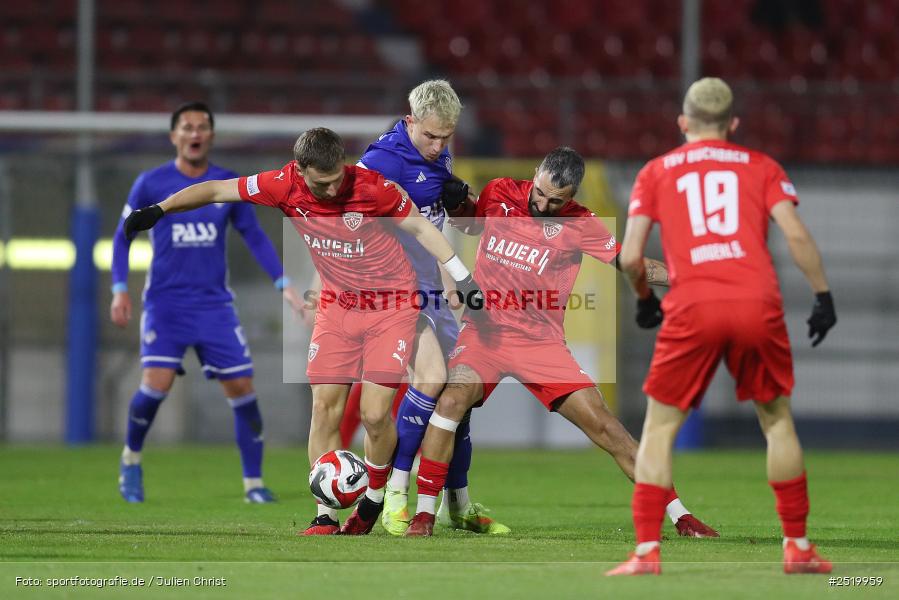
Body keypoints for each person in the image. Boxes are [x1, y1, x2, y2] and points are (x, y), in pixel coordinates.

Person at [122, 127, 482, 536]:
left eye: (335, 180)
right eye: (320, 183)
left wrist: (460, 275)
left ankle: (374, 497)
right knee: (324, 409)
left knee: (375, 414)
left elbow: (420, 227)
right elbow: (217, 190)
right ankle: (326, 515)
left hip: (391, 306)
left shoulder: (373, 188)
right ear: (300, 170)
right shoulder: (282, 184)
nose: (330, 191)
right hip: (336, 307)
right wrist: (160, 210)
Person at [404, 147, 718, 538]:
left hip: (541, 344)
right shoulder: (501, 191)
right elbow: (471, 225)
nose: (543, 204)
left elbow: (632, 265)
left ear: (572, 196)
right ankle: (424, 514)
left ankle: (680, 515)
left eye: (556, 200)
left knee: (605, 427)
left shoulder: (582, 224)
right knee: (450, 401)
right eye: (540, 193)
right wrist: (458, 204)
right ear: (535, 174)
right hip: (484, 334)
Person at [607, 78, 836, 576]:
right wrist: (822, 295)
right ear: (733, 124)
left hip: (692, 303)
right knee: (777, 423)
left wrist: (645, 300)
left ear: (683, 123)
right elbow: (795, 233)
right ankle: (797, 546)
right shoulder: (762, 167)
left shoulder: (656, 172)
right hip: (757, 300)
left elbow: (628, 257)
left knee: (660, 429)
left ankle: (647, 553)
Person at [111, 101, 304, 504]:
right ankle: (131, 460)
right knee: (156, 384)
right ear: (174, 136)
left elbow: (252, 234)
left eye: (202, 126)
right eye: (187, 127)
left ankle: (253, 483)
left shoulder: (225, 182)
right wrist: (119, 289)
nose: (195, 133)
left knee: (243, 386)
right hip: (166, 303)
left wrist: (283, 282)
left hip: (214, 305)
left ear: (211, 136)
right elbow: (123, 235)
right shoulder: (150, 183)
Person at [356, 79, 509, 536]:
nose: (439, 145)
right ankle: (394, 496)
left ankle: (458, 504)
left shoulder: (438, 155)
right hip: (393, 291)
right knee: (432, 380)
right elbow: (352, 226)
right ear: (410, 120)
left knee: (459, 394)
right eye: (431, 135)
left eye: (447, 137)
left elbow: (450, 226)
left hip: (433, 290)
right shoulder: (380, 161)